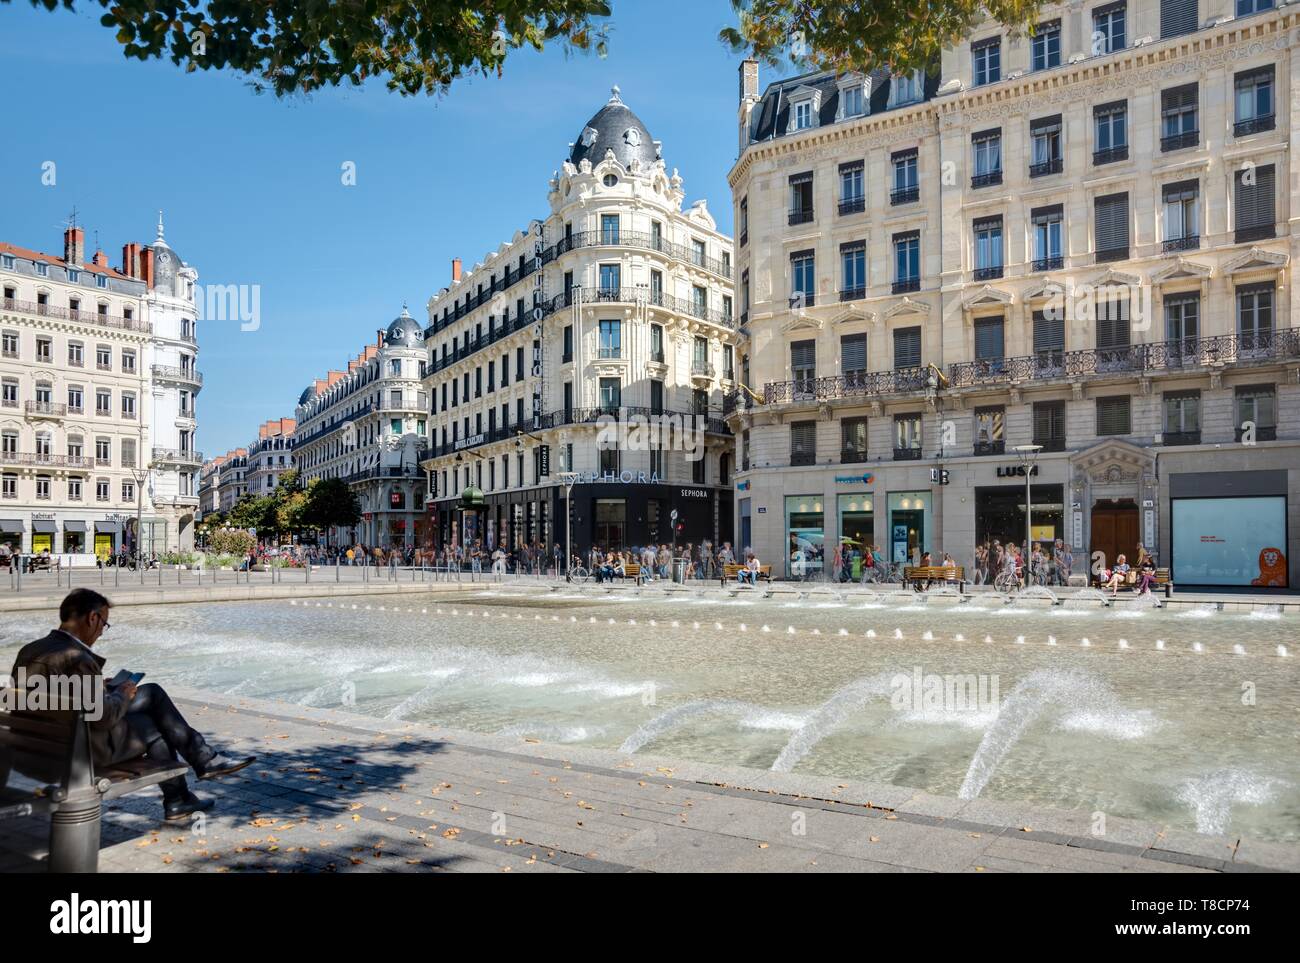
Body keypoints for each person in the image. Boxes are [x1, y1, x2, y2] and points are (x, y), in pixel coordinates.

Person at [9, 589, 255, 822]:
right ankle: (195, 773)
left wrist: (103, 687)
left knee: (152, 705)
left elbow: (54, 694)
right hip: (78, 753)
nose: (102, 631)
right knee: (155, 716)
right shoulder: (78, 658)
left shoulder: (31, 650)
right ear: (92, 618)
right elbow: (103, 718)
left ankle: (187, 787)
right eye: (104, 623)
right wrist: (123, 694)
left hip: (36, 748)